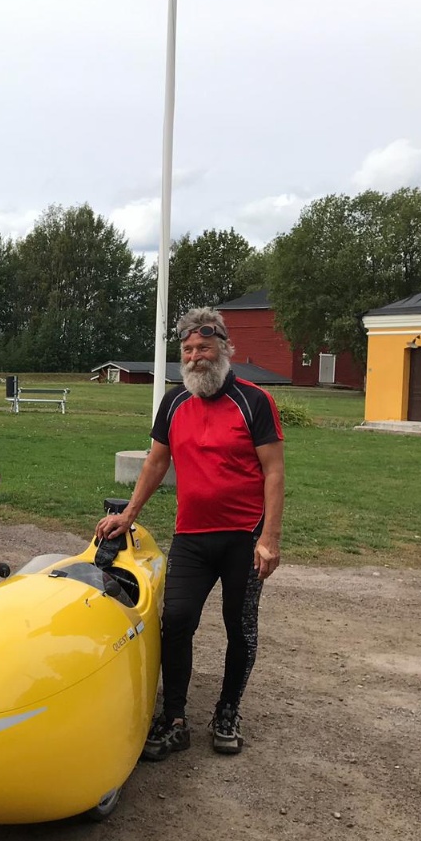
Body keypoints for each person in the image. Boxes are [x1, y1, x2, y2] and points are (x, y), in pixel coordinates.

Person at [95, 306, 284, 759]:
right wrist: (130, 514)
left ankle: (227, 712)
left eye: (204, 347)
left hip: (244, 536)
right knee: (176, 621)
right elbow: (157, 461)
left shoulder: (255, 401)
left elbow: (274, 471)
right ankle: (175, 719)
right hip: (193, 537)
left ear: (225, 348)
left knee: (240, 627)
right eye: (188, 350)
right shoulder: (175, 402)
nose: (196, 356)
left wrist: (270, 539)